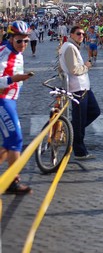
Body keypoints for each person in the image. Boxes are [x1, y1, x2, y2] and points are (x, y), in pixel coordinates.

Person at [0, 21, 35, 194]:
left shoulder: (18, 53)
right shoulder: (4, 54)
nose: (23, 45)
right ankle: (12, 182)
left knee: (9, 143)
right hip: (2, 101)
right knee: (15, 139)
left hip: (10, 101)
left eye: (26, 41)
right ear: (11, 38)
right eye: (19, 41)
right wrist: (14, 79)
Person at [59, 25, 102, 160]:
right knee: (80, 119)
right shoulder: (69, 48)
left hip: (84, 87)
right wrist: (86, 66)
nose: (81, 36)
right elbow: (73, 70)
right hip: (77, 88)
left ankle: (70, 129)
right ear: (71, 34)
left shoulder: (71, 47)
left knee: (94, 111)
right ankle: (80, 151)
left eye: (83, 34)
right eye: (78, 34)